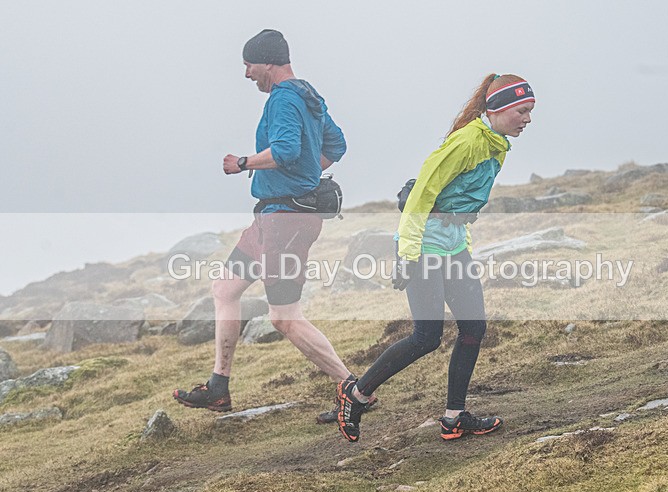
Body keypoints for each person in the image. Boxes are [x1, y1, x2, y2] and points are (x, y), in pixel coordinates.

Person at [173, 29, 367, 413]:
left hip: (286, 223)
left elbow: (285, 150)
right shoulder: (309, 96)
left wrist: (243, 163)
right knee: (225, 288)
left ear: (267, 62)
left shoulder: (284, 100)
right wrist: (308, 176)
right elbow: (336, 146)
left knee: (284, 317)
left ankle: (356, 390)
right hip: (269, 218)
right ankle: (218, 387)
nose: (246, 74)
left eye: (249, 65)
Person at [335, 74, 535, 441]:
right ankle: (357, 395)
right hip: (423, 243)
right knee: (426, 336)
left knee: (474, 328)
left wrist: (464, 242)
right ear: (500, 108)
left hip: (453, 244)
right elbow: (421, 195)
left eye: (530, 111)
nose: (528, 119)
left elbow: (461, 201)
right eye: (522, 110)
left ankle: (454, 416)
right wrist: (407, 254)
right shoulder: (468, 142)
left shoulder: (498, 144)